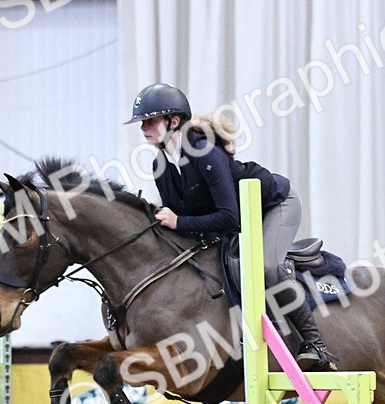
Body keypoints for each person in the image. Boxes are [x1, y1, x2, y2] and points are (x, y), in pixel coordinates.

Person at [125, 82, 337, 371]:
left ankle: (315, 344)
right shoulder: (160, 165)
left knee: (265, 267)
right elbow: (184, 219)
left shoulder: (205, 153)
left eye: (149, 121)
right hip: (237, 216)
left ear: (173, 122)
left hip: (275, 205)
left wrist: (179, 221)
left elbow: (228, 217)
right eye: (142, 122)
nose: (143, 128)